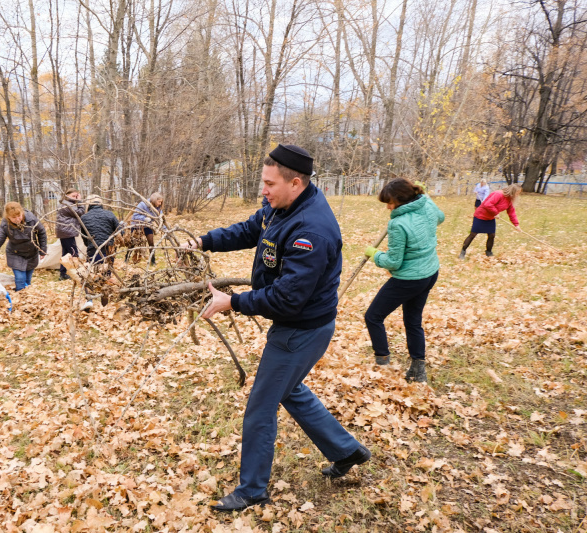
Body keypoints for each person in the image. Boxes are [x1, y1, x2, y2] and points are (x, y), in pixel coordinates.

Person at [185, 144, 370, 512]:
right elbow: (249, 229)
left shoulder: (312, 230)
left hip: (301, 330)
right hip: (295, 325)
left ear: (296, 183)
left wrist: (233, 302)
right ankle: (346, 450)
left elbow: (287, 298)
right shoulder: (279, 207)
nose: (263, 190)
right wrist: (204, 241)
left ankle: (252, 489)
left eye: (270, 183)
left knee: (260, 407)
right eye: (263, 183)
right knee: (289, 391)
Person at [363, 178, 445, 383]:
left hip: (409, 279)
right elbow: (440, 217)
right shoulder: (425, 203)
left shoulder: (397, 223)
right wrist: (427, 198)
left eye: (391, 202)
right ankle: (418, 369)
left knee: (373, 316)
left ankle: (382, 360)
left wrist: (375, 255)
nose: (389, 207)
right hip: (429, 273)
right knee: (413, 321)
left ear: (402, 200)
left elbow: (394, 262)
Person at [0, 202, 47, 291]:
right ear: (8, 217)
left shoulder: (31, 219)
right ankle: (20, 297)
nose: (17, 219)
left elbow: (42, 232)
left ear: (22, 212)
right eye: (14, 217)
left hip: (31, 253)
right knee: (20, 279)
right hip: (15, 253)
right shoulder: (5, 225)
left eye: (19, 216)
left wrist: (42, 249)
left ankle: (27, 299)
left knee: (28, 281)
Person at [459, 184, 521, 259]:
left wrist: (516, 224)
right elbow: (488, 204)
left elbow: (511, 212)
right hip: (480, 216)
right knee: (473, 234)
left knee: (491, 235)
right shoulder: (498, 194)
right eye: (517, 193)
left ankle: (488, 252)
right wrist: (495, 212)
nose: (517, 195)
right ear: (513, 191)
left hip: (490, 218)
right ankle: (463, 251)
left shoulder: (509, 200)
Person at [56, 188, 84, 280]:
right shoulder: (67, 205)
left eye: (76, 196)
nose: (75, 198)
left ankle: (63, 274)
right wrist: (80, 201)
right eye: (73, 196)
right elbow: (80, 212)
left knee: (66, 253)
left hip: (65, 231)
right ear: (67, 195)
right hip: (66, 231)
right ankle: (77, 273)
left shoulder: (66, 203)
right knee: (73, 253)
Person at [130, 192, 164, 265]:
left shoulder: (158, 208)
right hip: (137, 225)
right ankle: (127, 258)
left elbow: (160, 219)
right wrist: (144, 218)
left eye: (161, 202)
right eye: (159, 202)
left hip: (147, 226)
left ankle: (153, 261)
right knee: (133, 243)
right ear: (154, 200)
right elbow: (135, 215)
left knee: (151, 242)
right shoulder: (142, 204)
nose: (160, 204)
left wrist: (165, 229)